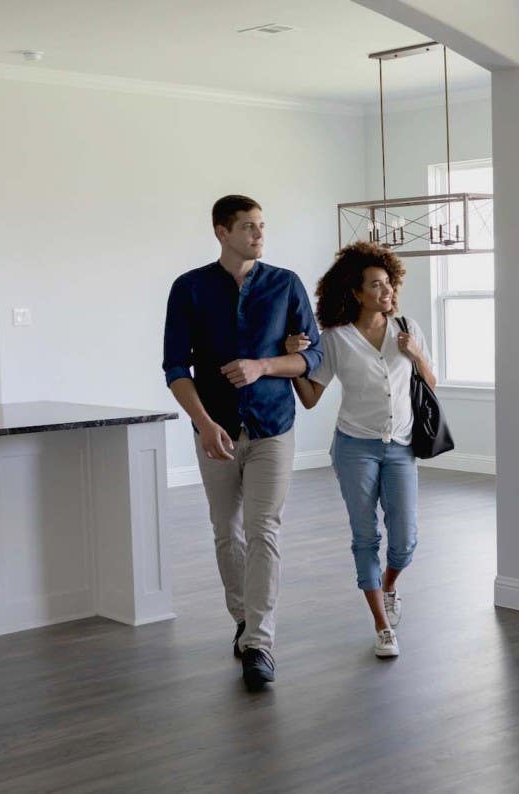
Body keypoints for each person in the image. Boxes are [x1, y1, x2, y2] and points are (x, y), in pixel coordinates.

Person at [162, 194, 321, 691]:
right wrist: (205, 424)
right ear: (220, 231)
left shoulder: (285, 284)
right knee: (226, 531)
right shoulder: (188, 289)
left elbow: (311, 359)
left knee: (263, 529)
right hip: (216, 432)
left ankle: (260, 643)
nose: (258, 234)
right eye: (248, 226)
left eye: (261, 226)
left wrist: (264, 365)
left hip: (273, 425)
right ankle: (243, 619)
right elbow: (174, 368)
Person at [289, 242, 434, 659]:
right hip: (355, 446)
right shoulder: (336, 338)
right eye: (376, 285)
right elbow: (312, 397)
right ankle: (382, 626)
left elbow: (431, 381)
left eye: (388, 282)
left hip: (401, 446)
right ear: (356, 292)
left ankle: (389, 586)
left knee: (405, 540)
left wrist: (416, 352)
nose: (387, 291)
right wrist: (293, 363)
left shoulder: (407, 327)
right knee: (365, 535)